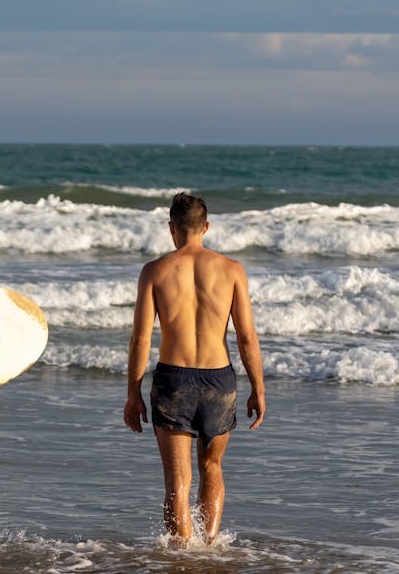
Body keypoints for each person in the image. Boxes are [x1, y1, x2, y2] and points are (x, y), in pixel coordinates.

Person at [124, 193, 265, 545]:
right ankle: (209, 550)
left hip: (174, 380)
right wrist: (259, 389)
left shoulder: (155, 271)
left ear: (172, 228)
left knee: (177, 481)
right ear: (206, 227)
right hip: (219, 380)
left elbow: (141, 339)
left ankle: (184, 557)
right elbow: (246, 336)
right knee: (212, 468)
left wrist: (133, 393)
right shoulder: (232, 270)